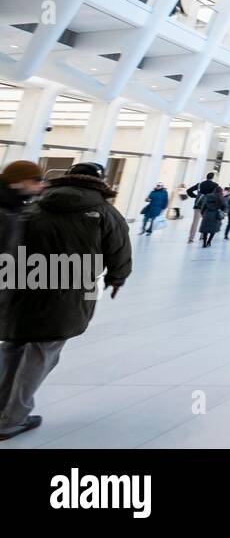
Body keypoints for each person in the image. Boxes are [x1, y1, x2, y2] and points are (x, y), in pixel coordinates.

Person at [0, 163, 131, 442]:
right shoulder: (105, 211)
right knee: (41, 352)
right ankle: (11, 420)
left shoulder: (35, 205)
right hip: (69, 291)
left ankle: (4, 412)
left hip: (23, 286)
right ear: (99, 181)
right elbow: (119, 250)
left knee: (13, 346)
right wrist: (117, 278)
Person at [0, 161, 44, 255]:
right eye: (36, 180)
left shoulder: (15, 206)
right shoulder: (4, 209)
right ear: (18, 180)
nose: (41, 185)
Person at [185, 172, 219, 243]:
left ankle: (191, 238)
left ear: (206, 177)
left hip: (198, 204)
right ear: (212, 178)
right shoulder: (215, 185)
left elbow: (188, 190)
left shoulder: (200, 184)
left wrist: (195, 196)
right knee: (205, 222)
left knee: (195, 222)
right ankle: (202, 237)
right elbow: (216, 196)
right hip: (207, 206)